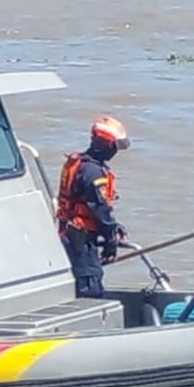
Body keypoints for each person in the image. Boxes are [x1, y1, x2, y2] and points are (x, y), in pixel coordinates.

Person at [55, 115, 130, 298]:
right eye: (115, 147)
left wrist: (114, 226)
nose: (116, 152)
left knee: (81, 277)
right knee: (90, 285)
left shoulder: (80, 165)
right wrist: (110, 239)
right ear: (106, 146)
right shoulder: (93, 172)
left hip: (71, 232)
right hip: (80, 237)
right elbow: (99, 208)